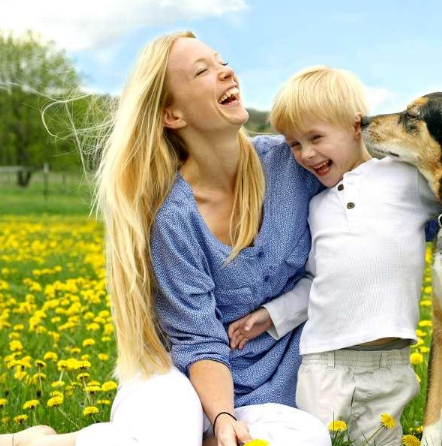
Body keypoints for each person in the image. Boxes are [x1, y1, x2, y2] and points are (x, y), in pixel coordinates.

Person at [1, 32, 330, 446]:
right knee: (172, 434)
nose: (226, 70)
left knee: (310, 438)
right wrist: (223, 417)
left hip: (262, 392)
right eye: (202, 71)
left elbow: (371, 196)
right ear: (172, 114)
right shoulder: (174, 217)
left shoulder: (293, 164)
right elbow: (198, 340)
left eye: (220, 60)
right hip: (175, 376)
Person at [227, 66, 442, 445]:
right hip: (325, 361)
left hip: (392, 363)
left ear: (356, 125)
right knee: (317, 438)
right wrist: (271, 316)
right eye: (293, 144)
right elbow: (315, 282)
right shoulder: (316, 206)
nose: (306, 154)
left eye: (316, 138)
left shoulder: (405, 178)